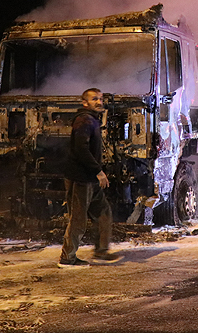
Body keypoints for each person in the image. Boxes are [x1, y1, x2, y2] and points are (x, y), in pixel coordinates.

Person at [59, 88, 115, 267]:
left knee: (103, 212)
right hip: (81, 179)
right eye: (94, 99)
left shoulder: (92, 120)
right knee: (78, 219)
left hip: (90, 179)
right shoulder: (84, 120)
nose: (99, 102)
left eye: (100, 99)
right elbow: (80, 149)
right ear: (85, 103)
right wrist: (98, 171)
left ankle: (101, 251)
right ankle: (67, 258)